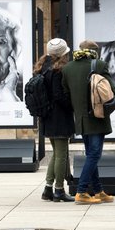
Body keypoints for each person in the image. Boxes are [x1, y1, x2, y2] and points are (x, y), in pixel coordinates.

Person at [62, 39, 114, 205]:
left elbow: (66, 95)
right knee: (94, 154)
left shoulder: (67, 68)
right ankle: (82, 191)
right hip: (97, 116)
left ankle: (98, 191)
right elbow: (111, 89)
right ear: (94, 51)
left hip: (81, 119)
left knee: (91, 154)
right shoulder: (99, 65)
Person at [36, 38, 76, 203]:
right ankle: (59, 190)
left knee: (56, 153)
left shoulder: (43, 68)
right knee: (61, 155)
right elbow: (59, 96)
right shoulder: (57, 71)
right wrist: (72, 104)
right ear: (62, 55)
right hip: (59, 117)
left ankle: (47, 188)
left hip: (48, 117)